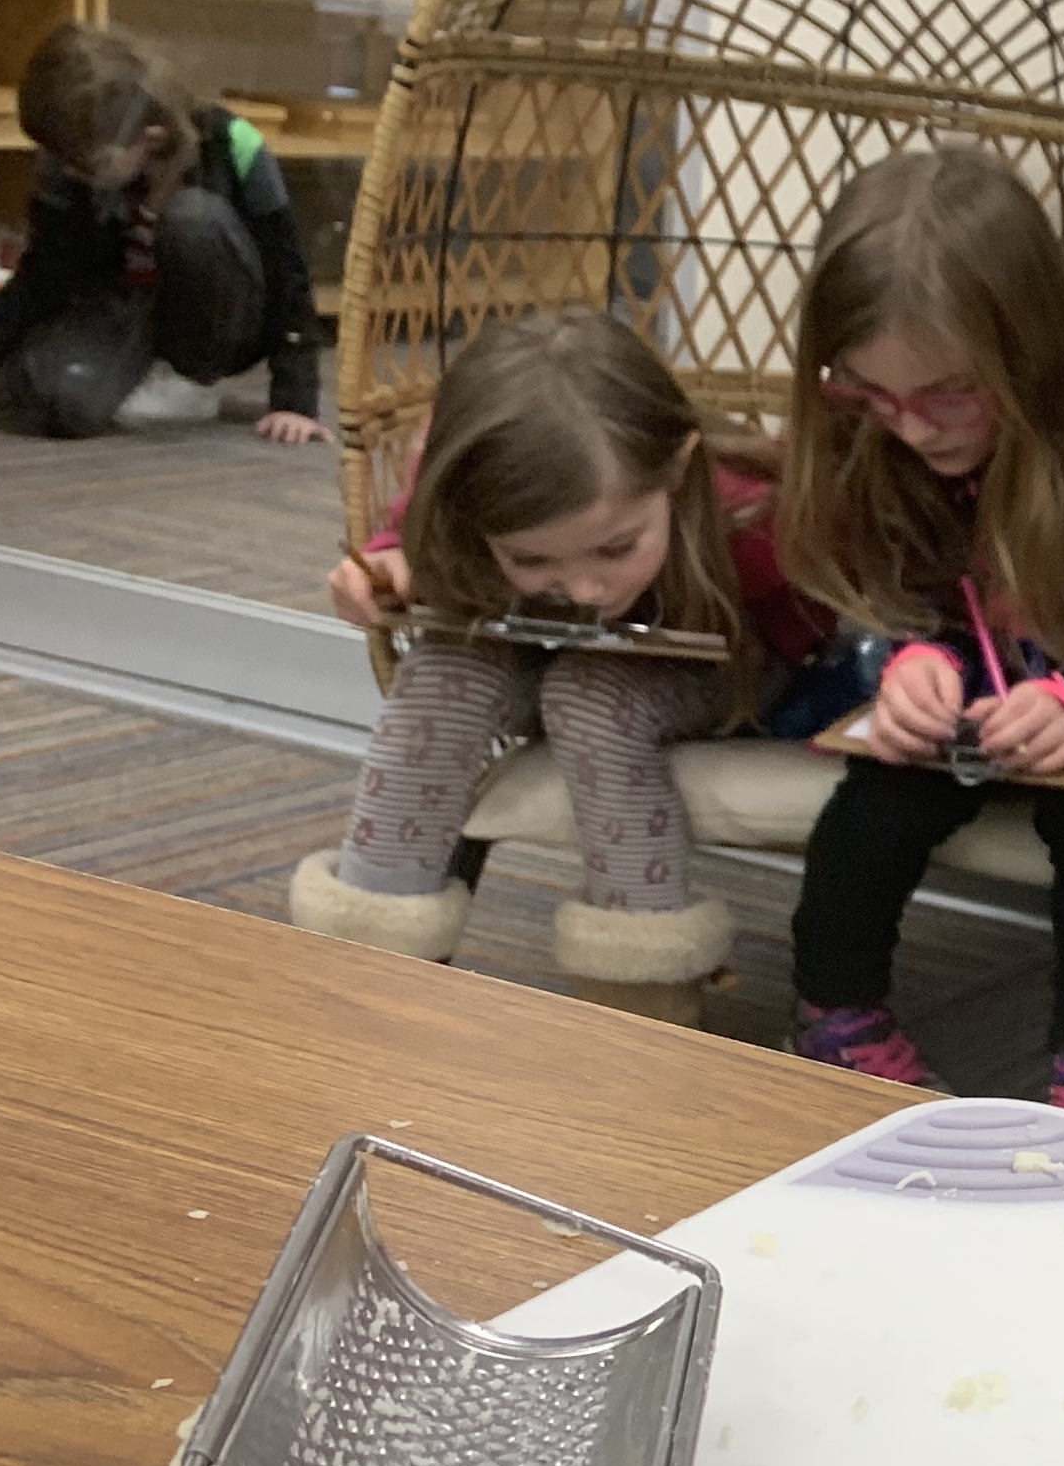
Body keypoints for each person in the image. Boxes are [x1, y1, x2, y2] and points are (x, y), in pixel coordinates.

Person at [770, 145, 1064, 1119]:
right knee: (870, 807)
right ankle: (837, 1017)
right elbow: (900, 589)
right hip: (977, 703)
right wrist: (910, 665)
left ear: (1028, 350)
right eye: (871, 392)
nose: (913, 428)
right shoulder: (878, 429)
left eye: (950, 392)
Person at [295, 309, 824, 1018]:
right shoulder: (474, 477)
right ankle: (356, 990)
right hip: (531, 648)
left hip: (724, 669)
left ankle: (644, 1011)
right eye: (531, 557)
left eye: (615, 548)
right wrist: (392, 550)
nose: (584, 589)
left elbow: (808, 650)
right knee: (443, 682)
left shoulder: (754, 522)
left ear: (677, 469)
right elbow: (421, 516)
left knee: (592, 698)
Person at [0, 26, 324, 444]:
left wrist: (295, 400)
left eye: (85, 162)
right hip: (124, 312)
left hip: (219, 318)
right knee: (61, 405)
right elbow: (43, 273)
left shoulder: (233, 142)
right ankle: (73, 370)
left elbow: (287, 271)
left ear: (153, 136)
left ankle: (191, 377)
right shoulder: (71, 167)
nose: (71, 173)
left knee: (194, 219)